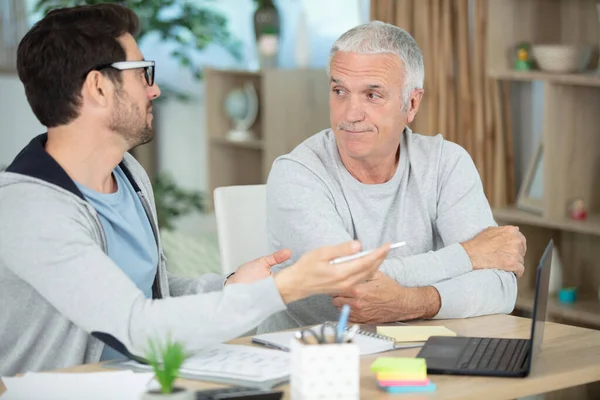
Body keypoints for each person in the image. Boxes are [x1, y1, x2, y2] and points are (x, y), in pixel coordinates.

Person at [0, 4, 392, 376]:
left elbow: (154, 295)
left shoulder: (129, 175)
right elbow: (139, 326)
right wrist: (285, 287)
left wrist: (230, 285)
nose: (153, 90)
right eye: (142, 73)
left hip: (149, 380)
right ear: (99, 87)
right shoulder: (30, 209)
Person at [258, 21, 527, 333]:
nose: (350, 113)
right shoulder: (296, 173)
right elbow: (354, 283)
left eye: (372, 95)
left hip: (416, 355)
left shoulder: (446, 162)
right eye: (339, 91)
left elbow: (501, 288)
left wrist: (415, 302)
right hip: (309, 360)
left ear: (411, 104)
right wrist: (469, 255)